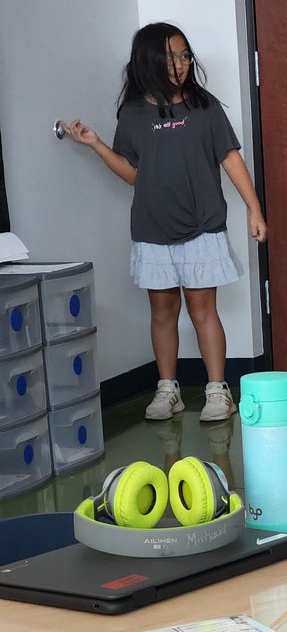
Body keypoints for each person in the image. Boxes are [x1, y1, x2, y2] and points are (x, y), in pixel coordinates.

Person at [64, 22, 267, 423]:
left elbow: (230, 158)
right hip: (153, 230)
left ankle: (217, 390)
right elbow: (134, 173)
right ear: (148, 61)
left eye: (184, 55)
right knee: (162, 312)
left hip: (202, 225)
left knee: (203, 309)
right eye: (171, 56)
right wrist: (98, 145)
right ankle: (168, 389)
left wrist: (254, 208)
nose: (180, 64)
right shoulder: (134, 113)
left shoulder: (204, 107)